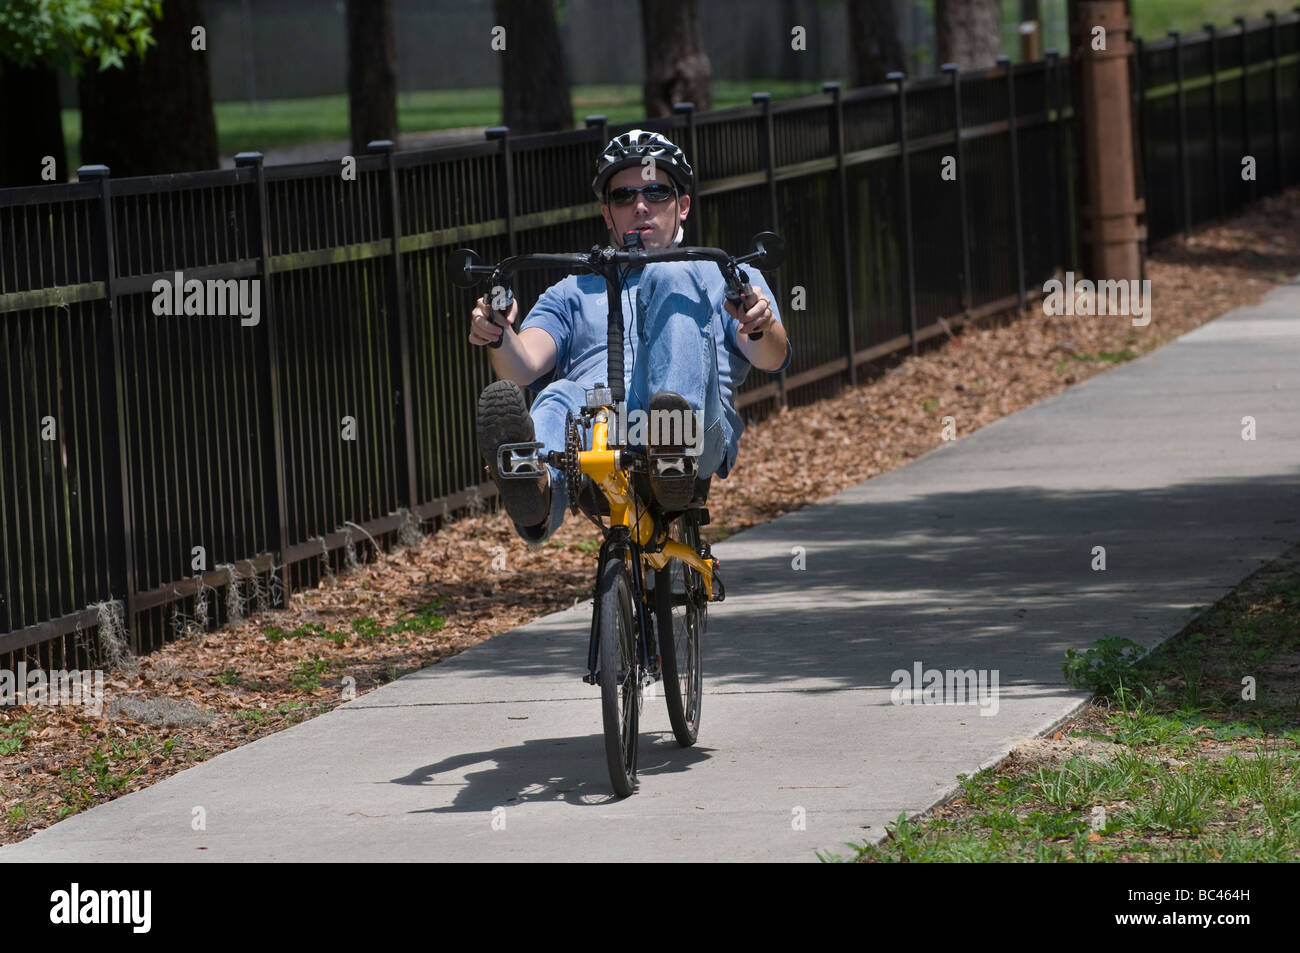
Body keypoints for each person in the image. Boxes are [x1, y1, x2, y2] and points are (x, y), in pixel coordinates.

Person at [469, 129, 791, 544]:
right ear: (608, 214)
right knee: (559, 393)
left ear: (683, 206)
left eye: (657, 192)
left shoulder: (722, 274)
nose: (640, 207)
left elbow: (772, 356)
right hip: (596, 429)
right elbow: (523, 365)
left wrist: (758, 323)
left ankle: (672, 449)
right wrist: (499, 331)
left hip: (691, 430)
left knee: (670, 270)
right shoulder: (569, 291)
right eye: (624, 197)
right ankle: (536, 488)